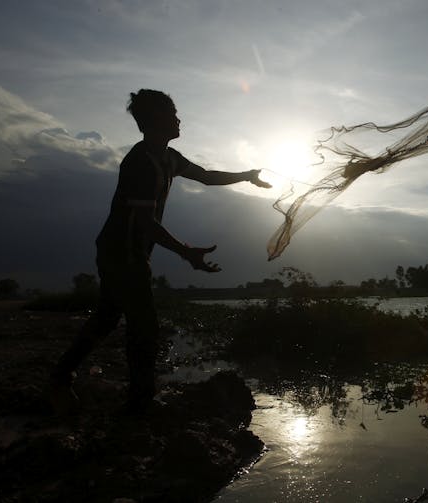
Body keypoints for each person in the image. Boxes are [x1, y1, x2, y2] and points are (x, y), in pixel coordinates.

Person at [50, 89, 271, 414]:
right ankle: (139, 403)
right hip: (121, 251)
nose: (179, 119)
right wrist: (186, 252)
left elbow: (207, 177)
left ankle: (61, 377)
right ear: (156, 120)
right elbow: (146, 223)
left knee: (108, 318)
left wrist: (247, 176)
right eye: (173, 114)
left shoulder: (170, 158)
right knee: (144, 326)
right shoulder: (140, 163)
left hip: (131, 251)